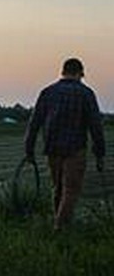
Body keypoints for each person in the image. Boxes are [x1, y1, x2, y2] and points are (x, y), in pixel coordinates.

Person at [25, 58, 106, 231]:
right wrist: (99, 153)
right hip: (75, 148)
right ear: (80, 73)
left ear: (63, 71)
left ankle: (61, 224)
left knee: (58, 188)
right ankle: (59, 228)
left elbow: (34, 122)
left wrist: (29, 148)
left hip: (52, 147)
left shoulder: (47, 92)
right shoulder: (86, 93)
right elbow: (95, 126)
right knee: (71, 190)